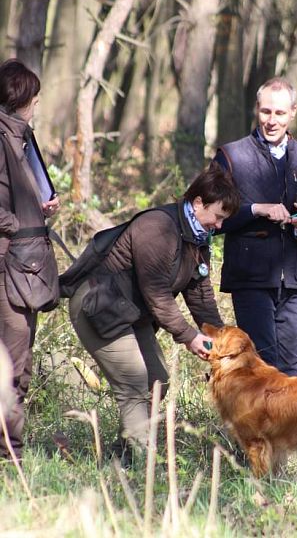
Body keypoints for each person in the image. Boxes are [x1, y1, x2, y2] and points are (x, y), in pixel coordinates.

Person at [66, 164, 240, 459]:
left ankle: (122, 453)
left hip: (132, 314)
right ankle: (144, 464)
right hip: (99, 307)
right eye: (218, 216)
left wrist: (222, 340)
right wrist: (189, 337)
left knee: (157, 379)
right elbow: (157, 293)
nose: (220, 226)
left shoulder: (197, 240)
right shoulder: (157, 228)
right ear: (199, 203)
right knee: (134, 384)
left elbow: (200, 296)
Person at [214, 77, 297, 377]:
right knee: (260, 369)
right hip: (251, 278)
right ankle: (256, 426)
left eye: (280, 113)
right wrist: (255, 210)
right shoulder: (231, 157)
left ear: (293, 112)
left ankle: (294, 426)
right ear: (256, 110)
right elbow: (208, 218)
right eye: (266, 112)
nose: (272, 121)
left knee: (295, 372)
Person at [0, 59, 60, 460]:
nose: (36, 106)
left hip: (22, 263)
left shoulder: (18, 138)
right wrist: (22, 220)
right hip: (10, 266)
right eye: (34, 100)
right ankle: (10, 457)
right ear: (23, 100)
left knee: (16, 363)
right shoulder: (4, 139)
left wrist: (37, 208)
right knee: (12, 366)